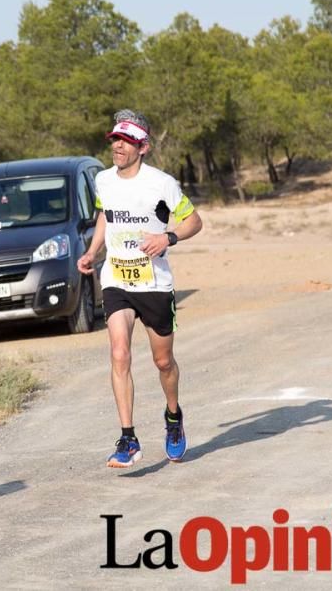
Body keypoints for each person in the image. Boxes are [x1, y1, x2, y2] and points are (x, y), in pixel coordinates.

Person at [77, 109, 203, 468]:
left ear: (143, 147)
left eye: (126, 141)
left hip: (154, 284)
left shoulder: (161, 184)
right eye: (115, 139)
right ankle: (128, 438)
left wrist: (168, 237)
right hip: (116, 278)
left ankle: (174, 418)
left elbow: (194, 220)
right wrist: (91, 252)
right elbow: (106, 215)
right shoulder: (103, 180)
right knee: (120, 354)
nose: (118, 146)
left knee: (163, 362)